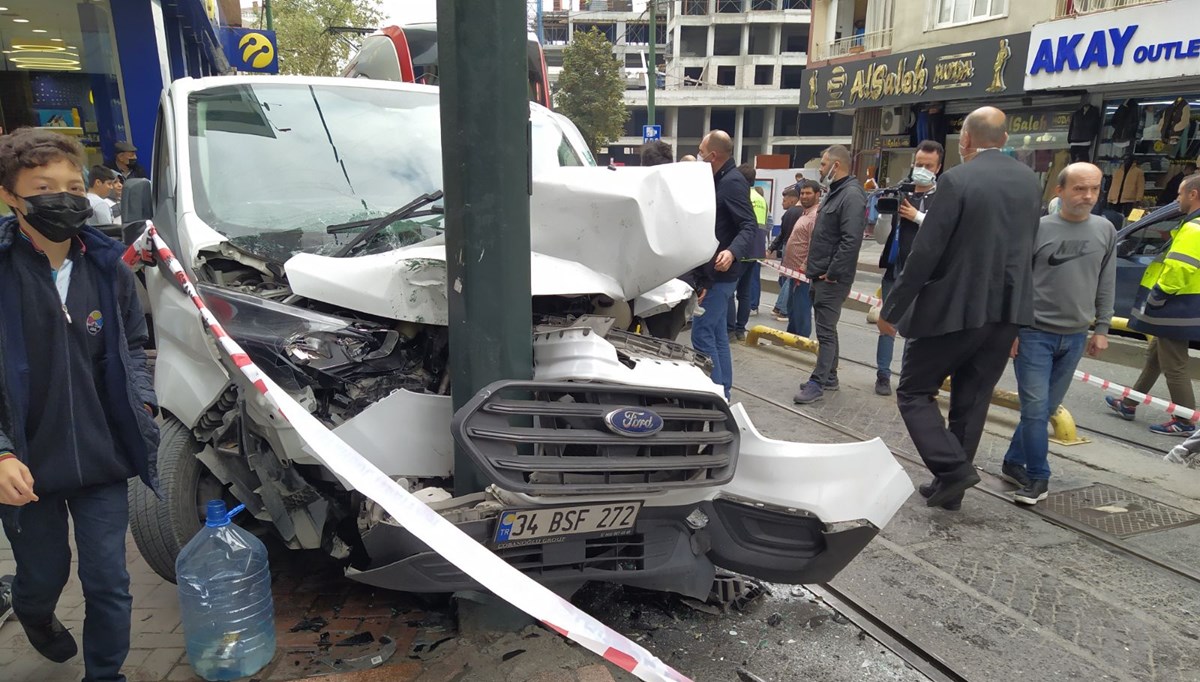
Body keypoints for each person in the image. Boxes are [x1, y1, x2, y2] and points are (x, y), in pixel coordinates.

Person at [0, 128, 159, 681]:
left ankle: (106, 674)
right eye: (44, 187)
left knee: (109, 581)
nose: (63, 198)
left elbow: (135, 347)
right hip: (25, 465)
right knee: (43, 574)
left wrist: (141, 407)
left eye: (73, 186)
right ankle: (33, 612)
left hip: (102, 458)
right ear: (11, 196)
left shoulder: (108, 267)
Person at [876, 106, 1041, 510]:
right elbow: (1028, 250)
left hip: (952, 309)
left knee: (914, 391)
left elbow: (926, 253)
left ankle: (953, 470)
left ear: (965, 141)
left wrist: (891, 308)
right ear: (1003, 140)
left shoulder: (957, 180)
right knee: (972, 398)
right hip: (1007, 311)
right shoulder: (1029, 182)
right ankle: (951, 488)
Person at [1005, 163, 1115, 505]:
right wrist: (1012, 329)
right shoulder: (1036, 230)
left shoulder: (1106, 230)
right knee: (1036, 410)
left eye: (1094, 189)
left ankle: (1012, 461)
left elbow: (1105, 281)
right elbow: (1016, 281)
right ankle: (1039, 477)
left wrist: (1102, 328)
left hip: (1076, 337)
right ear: (1060, 190)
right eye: (1079, 188)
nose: (1087, 196)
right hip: (1035, 333)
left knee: (1046, 407)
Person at [1107, 173, 1200, 436]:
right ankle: (1129, 403)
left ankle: (1184, 420)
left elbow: (1179, 269)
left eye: (1180, 194)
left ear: (1193, 195)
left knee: (1175, 365)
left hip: (1175, 306)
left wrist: (1157, 297)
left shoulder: (1194, 228)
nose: (1177, 199)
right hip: (1183, 306)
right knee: (1155, 358)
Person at [793, 145, 867, 404]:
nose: (820, 169)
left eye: (823, 165)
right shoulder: (837, 192)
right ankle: (831, 376)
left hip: (831, 278)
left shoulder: (852, 195)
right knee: (828, 329)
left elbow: (851, 240)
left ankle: (818, 382)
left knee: (824, 333)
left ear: (836, 166)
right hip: (820, 273)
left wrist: (834, 273)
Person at [874, 141, 943, 397]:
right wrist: (883, 215)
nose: (922, 169)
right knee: (887, 325)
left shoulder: (943, 197)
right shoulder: (901, 193)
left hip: (926, 276)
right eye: (919, 164)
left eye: (928, 165)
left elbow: (943, 233)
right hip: (895, 270)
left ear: (938, 167)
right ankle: (883, 375)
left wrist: (916, 216)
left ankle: (909, 377)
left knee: (916, 329)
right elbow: (882, 238)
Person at [692, 130, 758, 399]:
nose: (699, 155)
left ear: (713, 155)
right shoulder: (721, 179)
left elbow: (749, 224)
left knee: (702, 333)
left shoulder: (731, 182)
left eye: (701, 151)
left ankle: (714, 394)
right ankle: (724, 391)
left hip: (722, 271)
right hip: (717, 273)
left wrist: (731, 252)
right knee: (718, 334)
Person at [728, 164, 767, 340]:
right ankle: (740, 329)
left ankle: (729, 330)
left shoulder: (742, 195)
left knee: (729, 291)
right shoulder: (760, 198)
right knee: (745, 293)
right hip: (756, 251)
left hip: (741, 249)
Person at [783, 180, 820, 337]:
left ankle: (802, 341)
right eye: (802, 193)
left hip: (802, 275)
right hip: (794, 272)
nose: (804, 196)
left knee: (801, 309)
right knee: (793, 308)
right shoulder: (805, 213)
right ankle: (791, 337)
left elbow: (814, 246)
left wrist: (803, 268)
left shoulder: (814, 217)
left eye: (808, 193)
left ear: (817, 195)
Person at [768, 185, 802, 320]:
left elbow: (782, 234)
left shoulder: (788, 214)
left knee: (786, 278)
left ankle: (780, 307)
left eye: (784, 201)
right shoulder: (802, 213)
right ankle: (783, 308)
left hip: (786, 247)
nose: (782, 203)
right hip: (796, 249)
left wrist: (772, 248)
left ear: (793, 200)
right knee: (791, 279)